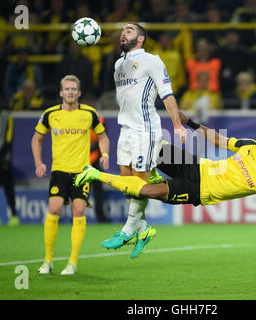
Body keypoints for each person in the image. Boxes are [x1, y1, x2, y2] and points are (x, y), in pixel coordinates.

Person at [74, 111, 256, 278]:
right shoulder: (248, 144)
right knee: (149, 147)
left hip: (197, 190)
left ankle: (94, 174)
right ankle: (141, 226)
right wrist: (191, 124)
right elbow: (220, 140)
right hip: (196, 165)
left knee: (146, 190)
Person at [100, 23, 186, 259]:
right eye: (122, 31)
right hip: (125, 129)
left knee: (140, 183)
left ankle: (128, 229)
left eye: (129, 30)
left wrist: (177, 125)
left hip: (145, 129)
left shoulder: (152, 60)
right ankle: (143, 227)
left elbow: (167, 94)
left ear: (141, 39)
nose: (123, 33)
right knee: (128, 183)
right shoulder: (118, 64)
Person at [31, 75, 110, 275]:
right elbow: (36, 139)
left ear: (79, 93)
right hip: (59, 171)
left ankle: (72, 262)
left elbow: (102, 136)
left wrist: (105, 154)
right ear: (60, 92)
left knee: (79, 210)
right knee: (55, 209)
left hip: (82, 172)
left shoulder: (89, 114)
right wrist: (38, 163)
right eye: (67, 89)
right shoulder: (50, 114)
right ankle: (48, 259)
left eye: (74, 89)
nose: (70, 92)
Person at [0, 89, 18, 226]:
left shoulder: (7, 117)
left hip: (3, 159)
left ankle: (14, 215)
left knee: (8, 188)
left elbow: (8, 139)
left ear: (0, 103)